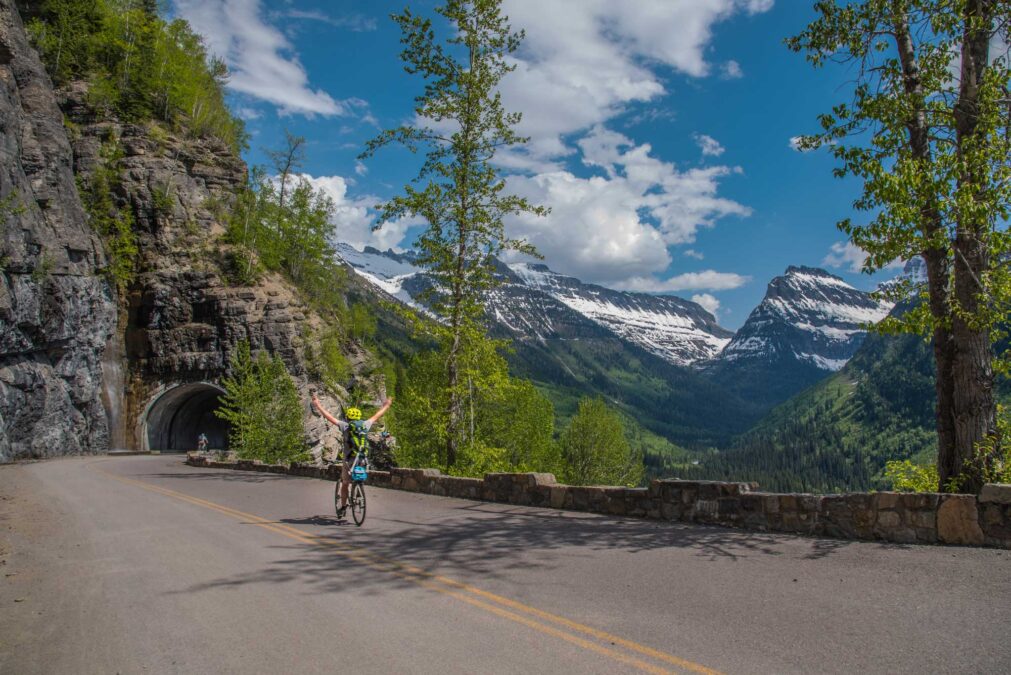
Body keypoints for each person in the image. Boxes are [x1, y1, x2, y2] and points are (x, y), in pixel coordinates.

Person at [312, 393, 393, 519]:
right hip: (363, 459)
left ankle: (343, 507)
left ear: (348, 417)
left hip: (349, 460)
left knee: (345, 483)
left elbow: (329, 417)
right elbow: (377, 416)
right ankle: (359, 489)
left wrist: (318, 405)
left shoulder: (345, 426)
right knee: (358, 477)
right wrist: (386, 405)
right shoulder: (365, 424)